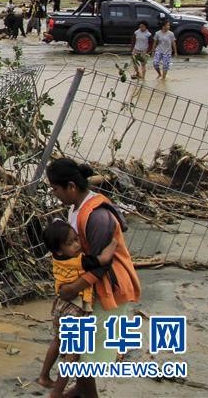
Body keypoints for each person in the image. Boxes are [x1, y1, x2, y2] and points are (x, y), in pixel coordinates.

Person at [45, 158, 141, 398]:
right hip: (93, 288)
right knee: (83, 355)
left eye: (55, 189)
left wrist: (71, 288)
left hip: (109, 287)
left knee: (83, 355)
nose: (54, 194)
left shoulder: (96, 216)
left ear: (71, 186)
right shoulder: (76, 208)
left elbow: (100, 265)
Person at [37, 219, 118, 395]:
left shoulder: (57, 258)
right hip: (75, 309)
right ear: (59, 249)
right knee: (73, 354)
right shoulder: (79, 261)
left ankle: (44, 376)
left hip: (60, 306)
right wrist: (114, 241)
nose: (76, 245)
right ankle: (57, 392)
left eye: (76, 239)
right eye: (70, 243)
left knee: (58, 340)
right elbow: (104, 259)